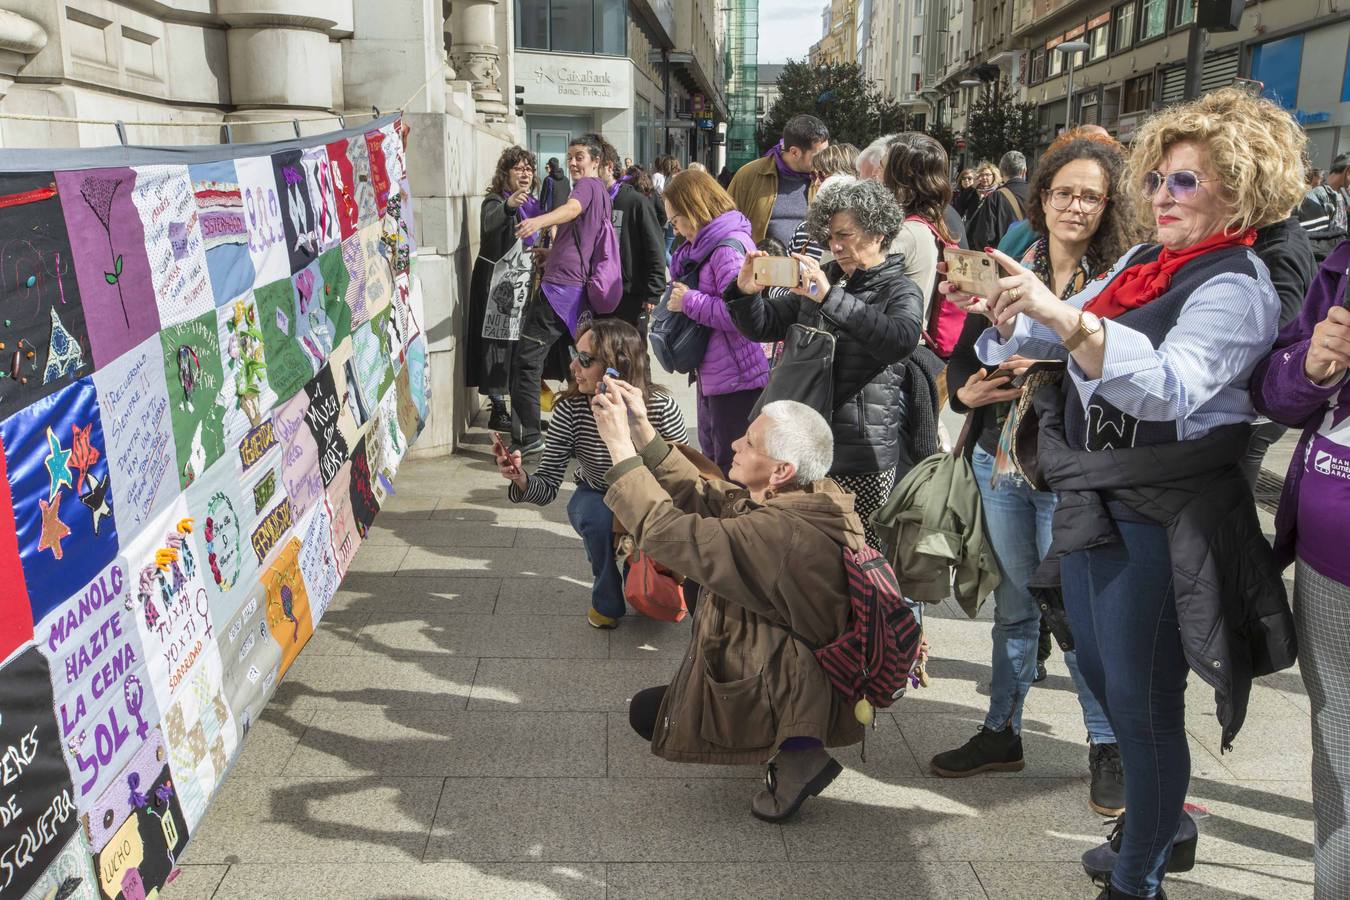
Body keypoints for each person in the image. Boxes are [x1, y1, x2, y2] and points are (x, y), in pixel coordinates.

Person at [948, 86, 1304, 900]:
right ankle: (1161, 824)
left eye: (1186, 181)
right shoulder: (1146, 265)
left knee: (1143, 713)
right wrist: (1009, 309)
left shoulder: (1238, 283)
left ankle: (1138, 877)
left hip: (1162, 513)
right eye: (1156, 180)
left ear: (1240, 188)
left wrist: (1067, 325)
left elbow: (1171, 387)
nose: (1161, 197)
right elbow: (1053, 327)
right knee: (1103, 678)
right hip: (1093, 498)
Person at [933, 136, 1138, 819]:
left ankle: (1108, 744)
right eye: (1063, 193)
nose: (1074, 206)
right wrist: (968, 394)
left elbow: (1127, 376)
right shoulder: (1013, 266)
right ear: (1042, 197)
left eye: (1090, 196)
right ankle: (1002, 731)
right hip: (1001, 460)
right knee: (1016, 605)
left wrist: (1047, 357)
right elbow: (961, 361)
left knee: (1072, 609)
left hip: (1069, 471)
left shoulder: (1121, 281)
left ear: (1109, 207)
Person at [596, 390, 863, 821]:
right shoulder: (813, 494)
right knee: (661, 707)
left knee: (652, 715)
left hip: (790, 677)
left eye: (751, 443)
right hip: (803, 666)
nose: (736, 444)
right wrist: (643, 430)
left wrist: (620, 450)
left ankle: (798, 754)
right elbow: (711, 496)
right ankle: (789, 731)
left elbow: (669, 534)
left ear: (781, 470)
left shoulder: (779, 534)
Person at [726, 177, 925, 551]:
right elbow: (765, 325)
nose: (835, 246)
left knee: (858, 556)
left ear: (878, 232)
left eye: (845, 236)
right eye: (830, 236)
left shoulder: (899, 289)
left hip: (860, 453)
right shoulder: (827, 277)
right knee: (805, 556)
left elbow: (899, 340)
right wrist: (744, 293)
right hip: (806, 447)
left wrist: (830, 298)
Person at [1251, 238, 1350, 900]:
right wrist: (1313, 366)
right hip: (1327, 550)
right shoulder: (1341, 263)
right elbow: (1276, 391)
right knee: (1339, 752)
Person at [492, 318, 687, 629]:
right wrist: (520, 478)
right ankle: (607, 598)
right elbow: (547, 486)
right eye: (575, 353)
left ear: (617, 366)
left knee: (647, 535)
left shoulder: (660, 407)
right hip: (598, 492)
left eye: (585, 359)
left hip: (652, 498)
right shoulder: (571, 409)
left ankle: (639, 571)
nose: (573, 366)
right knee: (594, 517)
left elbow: (682, 482)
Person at [510, 133, 616, 456]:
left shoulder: (585, 187)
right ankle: (591, 433)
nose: (573, 162)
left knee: (527, 362)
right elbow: (580, 238)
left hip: (560, 291)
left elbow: (571, 209)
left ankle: (529, 437)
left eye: (579, 156)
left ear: (596, 161)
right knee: (581, 365)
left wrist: (538, 221)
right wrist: (550, 252)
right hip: (575, 289)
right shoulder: (603, 192)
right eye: (570, 156)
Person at [662, 169, 766, 472]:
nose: (676, 229)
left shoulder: (726, 249)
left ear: (695, 209)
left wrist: (689, 301)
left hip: (737, 377)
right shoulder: (705, 246)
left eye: (676, 219)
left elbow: (742, 315)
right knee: (715, 459)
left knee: (732, 465)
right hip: (717, 372)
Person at [466, 146, 541, 432]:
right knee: (495, 345)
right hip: (495, 285)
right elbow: (490, 223)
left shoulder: (532, 203)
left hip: (521, 282)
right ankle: (497, 407)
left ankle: (514, 405)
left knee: (514, 345)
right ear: (505, 174)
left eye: (528, 168)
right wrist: (509, 206)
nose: (525, 173)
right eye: (518, 168)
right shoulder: (494, 201)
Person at [881, 132, 959, 327]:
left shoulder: (906, 234)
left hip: (896, 346)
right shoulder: (931, 220)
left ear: (903, 174)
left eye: (882, 167)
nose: (876, 175)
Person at [728, 114, 830, 245]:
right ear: (794, 152)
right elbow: (728, 224)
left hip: (811, 263)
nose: (825, 159)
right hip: (763, 262)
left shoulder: (825, 178)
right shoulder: (749, 175)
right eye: (818, 155)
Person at [599, 142, 666, 339]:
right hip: (598, 292)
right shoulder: (592, 202)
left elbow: (655, 248)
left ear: (609, 167)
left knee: (631, 353)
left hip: (629, 293)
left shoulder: (635, 202)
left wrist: (653, 292)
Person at [967, 150, 1030, 251]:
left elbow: (983, 237)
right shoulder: (1039, 194)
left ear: (1001, 172)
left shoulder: (995, 197)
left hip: (1005, 261)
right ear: (1024, 171)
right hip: (1035, 261)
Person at [1300, 154, 1348, 261]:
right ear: (1347, 170)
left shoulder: (1342, 194)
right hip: (1325, 256)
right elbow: (1316, 235)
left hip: (1338, 253)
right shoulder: (1318, 194)